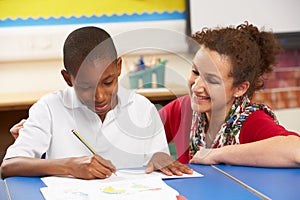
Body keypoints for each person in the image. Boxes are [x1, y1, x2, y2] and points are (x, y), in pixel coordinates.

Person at [1, 26, 192, 179]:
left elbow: (158, 160)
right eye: (85, 87)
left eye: (108, 82)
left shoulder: (142, 108)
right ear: (68, 79)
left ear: (119, 67)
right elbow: (8, 166)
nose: (100, 96)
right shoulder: (49, 108)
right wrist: (69, 166)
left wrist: (159, 158)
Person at [159, 21, 300, 167]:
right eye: (195, 72)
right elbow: (137, 140)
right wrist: (154, 155)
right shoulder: (182, 108)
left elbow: (296, 150)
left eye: (212, 80)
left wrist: (216, 154)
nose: (196, 87)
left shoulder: (252, 121)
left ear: (240, 88)